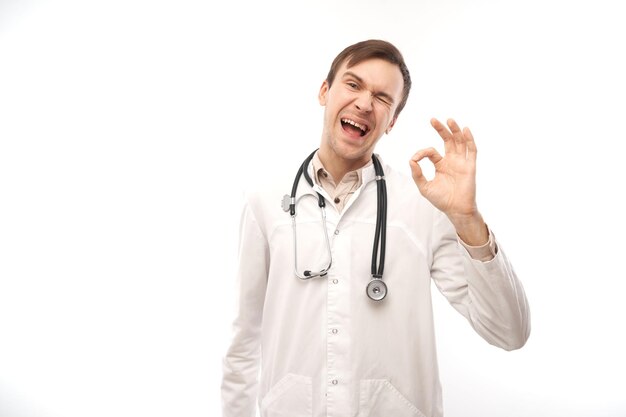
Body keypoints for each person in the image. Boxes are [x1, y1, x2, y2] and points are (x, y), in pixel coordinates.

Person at [220, 39, 530, 417]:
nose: (365, 103)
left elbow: (509, 332)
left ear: (393, 120)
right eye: (353, 84)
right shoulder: (265, 200)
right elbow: (244, 340)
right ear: (324, 91)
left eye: (383, 98)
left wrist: (467, 218)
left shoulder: (422, 207)